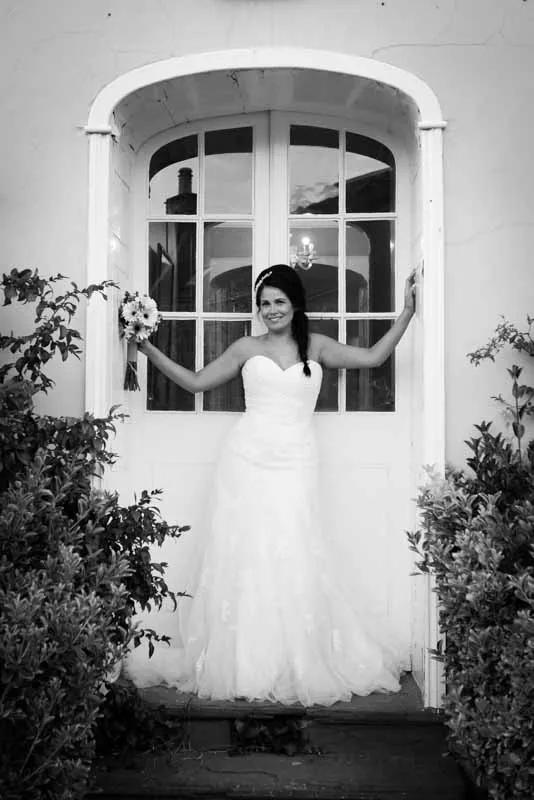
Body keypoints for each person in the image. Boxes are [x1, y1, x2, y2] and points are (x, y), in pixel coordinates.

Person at [125, 264, 417, 706]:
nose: (271, 310)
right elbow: (197, 382)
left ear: (295, 304)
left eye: (279, 301)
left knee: (295, 547)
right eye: (264, 303)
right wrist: (147, 350)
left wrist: (407, 313)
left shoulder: (315, 346)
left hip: (297, 459)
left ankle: (295, 660)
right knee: (245, 554)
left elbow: (374, 358)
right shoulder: (246, 347)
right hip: (246, 459)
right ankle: (244, 663)